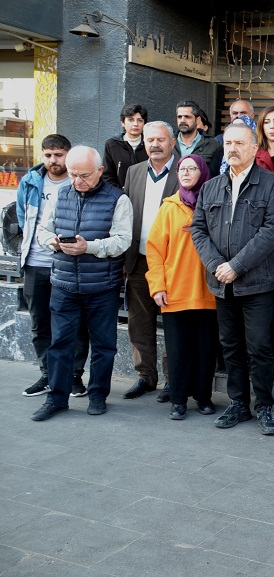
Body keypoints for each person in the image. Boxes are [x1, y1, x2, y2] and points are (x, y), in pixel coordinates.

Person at [191, 122, 274, 435]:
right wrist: (218, 264)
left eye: (239, 143)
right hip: (222, 283)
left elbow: (271, 232)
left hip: (257, 283)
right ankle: (238, 403)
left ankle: (264, 406)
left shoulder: (271, 185)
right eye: (228, 143)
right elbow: (198, 230)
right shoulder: (211, 187)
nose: (232, 148)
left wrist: (237, 265)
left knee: (259, 347)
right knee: (230, 345)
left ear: (254, 146)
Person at [30, 146, 132, 421]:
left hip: (102, 287)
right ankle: (57, 399)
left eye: (84, 175)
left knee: (104, 346)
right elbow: (42, 230)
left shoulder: (118, 199)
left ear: (100, 170)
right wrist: (50, 241)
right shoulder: (62, 194)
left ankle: (98, 396)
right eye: (73, 174)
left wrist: (89, 247)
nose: (77, 181)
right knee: (60, 345)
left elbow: (123, 241)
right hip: (63, 284)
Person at [145, 154, 218, 420]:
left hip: (209, 292)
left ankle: (203, 397)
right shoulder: (169, 207)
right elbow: (153, 250)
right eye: (182, 168)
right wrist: (157, 286)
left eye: (192, 168)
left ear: (203, 172)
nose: (186, 173)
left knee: (205, 349)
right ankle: (178, 400)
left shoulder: (214, 204)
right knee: (178, 350)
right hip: (175, 292)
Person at [17, 134, 89, 397]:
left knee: (75, 323)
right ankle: (47, 374)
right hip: (36, 262)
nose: (52, 160)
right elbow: (25, 221)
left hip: (69, 264)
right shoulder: (30, 181)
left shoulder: (79, 181)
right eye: (48, 155)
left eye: (58, 154)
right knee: (40, 323)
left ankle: (73, 376)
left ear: (68, 155)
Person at [121, 121, 179, 402]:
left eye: (160, 139)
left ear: (172, 142)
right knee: (139, 323)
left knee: (172, 323)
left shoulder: (185, 170)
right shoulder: (133, 172)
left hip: (172, 264)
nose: (154, 144)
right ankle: (146, 376)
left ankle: (172, 379)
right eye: (149, 139)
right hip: (139, 260)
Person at [172, 100, 223, 174]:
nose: (182, 120)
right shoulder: (168, 143)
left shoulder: (213, 145)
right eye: (179, 117)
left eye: (187, 117)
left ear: (198, 120)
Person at [103, 103, 148, 188]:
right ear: (123, 123)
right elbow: (107, 176)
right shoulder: (112, 145)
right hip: (120, 196)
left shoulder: (150, 144)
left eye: (140, 120)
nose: (135, 124)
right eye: (131, 120)